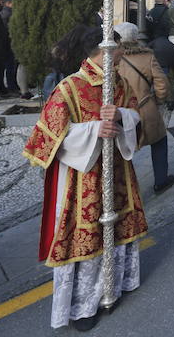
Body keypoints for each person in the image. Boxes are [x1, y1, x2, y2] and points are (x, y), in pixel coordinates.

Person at [23, 26, 146, 331]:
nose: (122, 52)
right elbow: (45, 139)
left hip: (117, 171)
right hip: (83, 179)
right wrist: (93, 130)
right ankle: (82, 307)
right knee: (87, 238)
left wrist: (122, 117)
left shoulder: (120, 83)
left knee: (116, 228)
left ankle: (113, 286)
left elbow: (135, 115)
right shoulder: (69, 88)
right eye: (118, 47)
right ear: (104, 51)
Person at [114, 22, 174, 194]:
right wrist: (157, 101)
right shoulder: (147, 57)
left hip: (120, 112)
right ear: (136, 38)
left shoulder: (110, 59)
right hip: (146, 108)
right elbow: (162, 85)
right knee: (159, 142)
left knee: (122, 149)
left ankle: (124, 190)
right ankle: (161, 180)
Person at [1, 0, 20, 95]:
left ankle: (13, 85)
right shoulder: (8, 14)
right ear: (8, 4)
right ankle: (12, 87)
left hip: (8, 44)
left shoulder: (4, 13)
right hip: (9, 44)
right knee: (11, 67)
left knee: (11, 67)